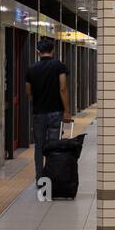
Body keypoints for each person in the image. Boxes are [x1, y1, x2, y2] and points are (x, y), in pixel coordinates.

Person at [26, 37, 71, 179]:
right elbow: (63, 88)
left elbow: (28, 92)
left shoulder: (31, 69)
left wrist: (38, 99)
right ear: (53, 50)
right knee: (53, 145)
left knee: (39, 146)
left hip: (39, 113)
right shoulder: (59, 66)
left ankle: (40, 177)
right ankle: (52, 176)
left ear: (38, 51)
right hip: (55, 112)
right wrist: (67, 111)